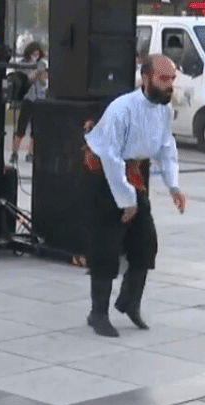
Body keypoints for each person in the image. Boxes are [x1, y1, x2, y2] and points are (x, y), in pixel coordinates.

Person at [83, 55, 187, 337]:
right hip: (106, 178)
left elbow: (167, 148)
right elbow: (110, 159)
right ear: (146, 78)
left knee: (145, 244)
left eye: (172, 79)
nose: (169, 85)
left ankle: (129, 302)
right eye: (164, 79)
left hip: (134, 176)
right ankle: (98, 313)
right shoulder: (121, 109)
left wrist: (173, 186)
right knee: (106, 248)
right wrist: (125, 201)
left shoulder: (164, 111)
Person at [10, 42, 47, 164]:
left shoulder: (41, 64)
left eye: (38, 53)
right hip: (27, 97)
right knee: (21, 127)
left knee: (35, 130)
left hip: (39, 98)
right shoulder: (23, 63)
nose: (35, 55)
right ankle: (14, 152)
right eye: (33, 53)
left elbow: (43, 83)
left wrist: (41, 77)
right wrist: (33, 76)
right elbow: (24, 80)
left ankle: (30, 153)